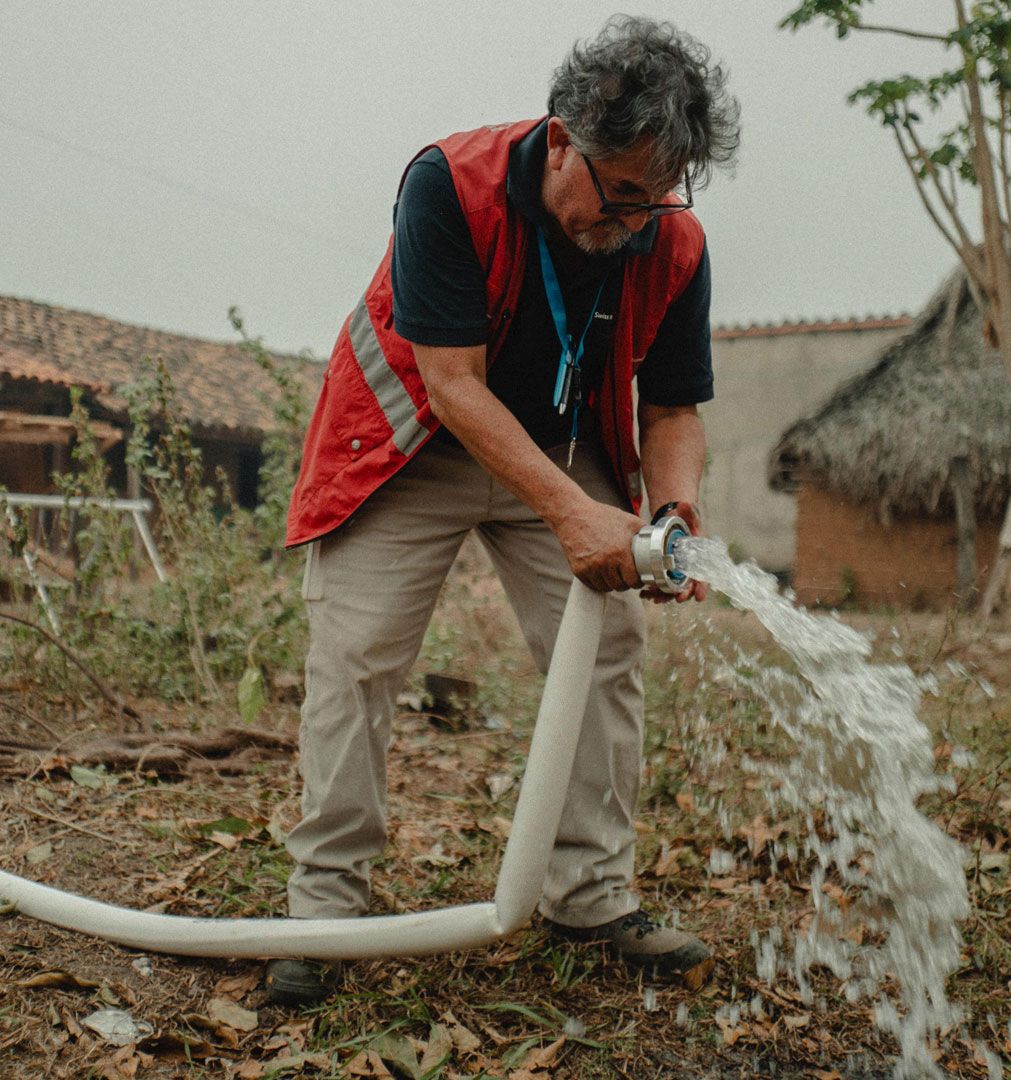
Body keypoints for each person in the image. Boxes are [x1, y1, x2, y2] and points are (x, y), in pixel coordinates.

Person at [269, 16, 739, 1005]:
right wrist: (573, 515)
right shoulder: (450, 183)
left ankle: (591, 897)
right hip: (411, 443)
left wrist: (675, 513)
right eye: (622, 194)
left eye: (662, 197)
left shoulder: (670, 240)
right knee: (358, 656)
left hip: (564, 450)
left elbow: (674, 405)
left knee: (608, 648)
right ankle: (321, 913)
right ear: (561, 140)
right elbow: (452, 383)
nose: (638, 218)